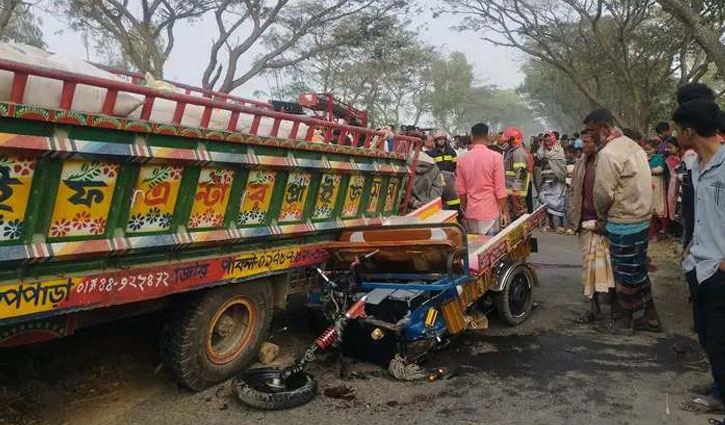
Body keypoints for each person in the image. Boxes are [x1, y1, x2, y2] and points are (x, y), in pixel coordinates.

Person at [585, 108, 662, 334]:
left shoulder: (609, 154)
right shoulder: (631, 144)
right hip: (640, 217)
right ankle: (651, 317)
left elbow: (602, 193)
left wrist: (601, 217)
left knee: (625, 273)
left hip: (623, 220)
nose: (589, 136)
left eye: (592, 131)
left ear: (605, 129)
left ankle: (625, 321)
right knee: (637, 270)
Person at [673, 100, 725, 421]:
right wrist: (690, 246)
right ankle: (720, 387)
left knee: (720, 335)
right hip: (699, 264)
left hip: (720, 267)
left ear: (689, 130)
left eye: (679, 129)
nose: (677, 134)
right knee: (708, 334)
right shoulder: (693, 167)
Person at [569, 130, 615, 323]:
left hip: (603, 222)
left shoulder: (605, 163)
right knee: (591, 268)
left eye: (587, 141)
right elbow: (575, 191)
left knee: (608, 268)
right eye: (583, 141)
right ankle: (595, 308)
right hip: (585, 222)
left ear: (597, 143)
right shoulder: (581, 163)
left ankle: (613, 309)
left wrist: (605, 221)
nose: (583, 145)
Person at [456, 123, 509, 236]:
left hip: (472, 212)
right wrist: (505, 212)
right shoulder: (495, 157)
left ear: (472, 137)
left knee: (475, 249)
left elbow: (461, 191)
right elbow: (500, 189)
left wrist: (465, 210)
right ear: (487, 136)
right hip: (491, 212)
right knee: (490, 251)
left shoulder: (462, 159)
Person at [537, 131, 568, 232]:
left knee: (559, 202)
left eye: (549, 140)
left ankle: (561, 224)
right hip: (546, 180)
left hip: (557, 181)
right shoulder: (541, 151)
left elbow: (561, 167)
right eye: (545, 141)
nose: (547, 142)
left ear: (553, 140)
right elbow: (540, 164)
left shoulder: (559, 151)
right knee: (546, 202)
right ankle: (550, 223)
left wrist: (556, 177)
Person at [502, 127, 530, 221]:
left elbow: (521, 171)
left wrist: (516, 188)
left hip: (516, 191)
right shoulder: (510, 151)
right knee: (513, 216)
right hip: (511, 190)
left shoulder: (519, 152)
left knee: (520, 216)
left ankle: (524, 235)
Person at [428, 129, 460, 211]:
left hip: (450, 179)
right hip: (437, 179)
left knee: (454, 201)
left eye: (443, 139)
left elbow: (456, 167)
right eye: (439, 139)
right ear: (435, 140)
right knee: (438, 202)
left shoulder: (451, 152)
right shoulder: (431, 154)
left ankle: (456, 218)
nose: (441, 141)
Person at [644, 138, 669, 238]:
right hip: (647, 184)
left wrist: (649, 170)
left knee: (659, 204)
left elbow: (660, 169)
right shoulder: (644, 158)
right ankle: (652, 231)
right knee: (649, 205)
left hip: (657, 183)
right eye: (646, 150)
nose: (647, 151)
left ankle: (664, 229)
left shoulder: (659, 157)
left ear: (655, 149)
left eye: (649, 149)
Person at [664, 137, 682, 238]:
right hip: (673, 183)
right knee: (672, 204)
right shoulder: (670, 160)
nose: (669, 150)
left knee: (677, 205)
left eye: (671, 147)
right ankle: (674, 229)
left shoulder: (682, 158)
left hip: (679, 183)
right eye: (668, 148)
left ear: (678, 148)